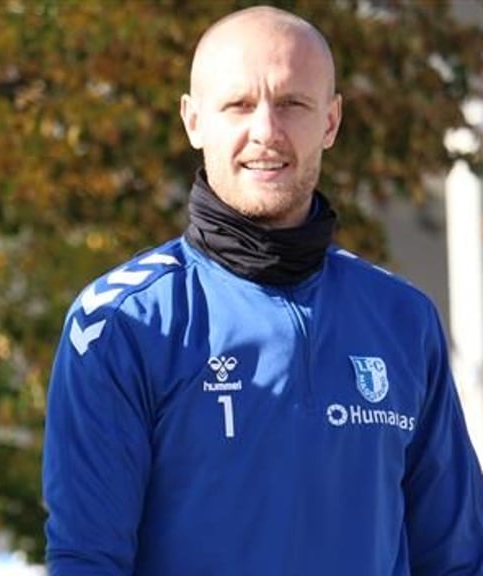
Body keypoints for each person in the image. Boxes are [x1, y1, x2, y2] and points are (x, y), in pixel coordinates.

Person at [43, 6, 483, 575]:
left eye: (293, 104)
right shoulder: (122, 323)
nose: (266, 132)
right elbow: (87, 561)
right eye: (239, 105)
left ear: (330, 120)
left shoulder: (402, 318)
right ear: (194, 121)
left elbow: (457, 558)